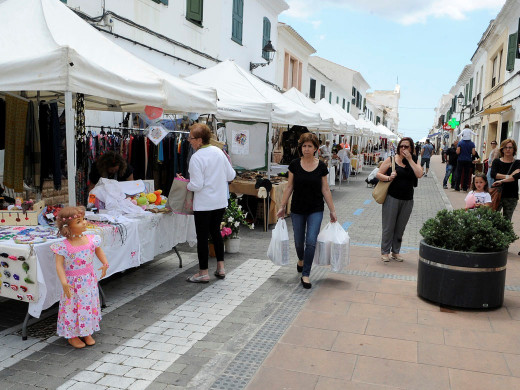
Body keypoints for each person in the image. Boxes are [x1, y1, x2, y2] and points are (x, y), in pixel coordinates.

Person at [276, 133, 337, 289]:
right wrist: (282, 206)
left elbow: (325, 189)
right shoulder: (295, 164)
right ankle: (301, 260)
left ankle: (306, 274)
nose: (307, 149)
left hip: (315, 208)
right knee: (298, 242)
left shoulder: (322, 166)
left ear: (316, 148)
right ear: (300, 148)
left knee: (311, 241)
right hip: (297, 208)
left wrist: (332, 210)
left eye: (310, 146)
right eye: (304, 146)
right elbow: (289, 186)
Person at [183, 124, 236, 283]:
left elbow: (196, 185)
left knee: (202, 237)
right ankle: (220, 267)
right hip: (219, 202)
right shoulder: (219, 152)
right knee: (216, 232)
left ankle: (203, 272)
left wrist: (187, 184)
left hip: (204, 204)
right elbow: (231, 175)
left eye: (191, 138)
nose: (189, 140)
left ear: (199, 140)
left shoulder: (197, 157)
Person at [50, 206, 109, 349]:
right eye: (78, 221)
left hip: (88, 281)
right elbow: (59, 265)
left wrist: (105, 263)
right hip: (72, 283)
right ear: (67, 227)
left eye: (83, 219)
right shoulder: (63, 246)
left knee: (87, 305)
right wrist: (64, 282)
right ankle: (73, 335)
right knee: (73, 307)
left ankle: (86, 331)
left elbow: (98, 251)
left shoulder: (91, 239)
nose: (83, 223)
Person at [376, 137, 423, 262]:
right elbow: (378, 174)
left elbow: (419, 174)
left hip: (408, 199)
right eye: (401, 146)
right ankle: (385, 252)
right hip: (392, 197)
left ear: (411, 148)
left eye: (406, 146)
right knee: (388, 226)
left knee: (400, 228)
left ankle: (395, 252)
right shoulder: (391, 159)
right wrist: (388, 178)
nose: (403, 148)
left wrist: (409, 159)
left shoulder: (413, 160)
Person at [491, 138, 520, 221]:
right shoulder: (496, 161)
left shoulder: (518, 163)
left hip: (511, 196)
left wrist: (501, 179)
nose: (508, 149)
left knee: (507, 220)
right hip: (497, 194)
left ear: (514, 149)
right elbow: (493, 175)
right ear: (502, 149)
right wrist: (509, 176)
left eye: (510, 147)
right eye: (505, 147)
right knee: (493, 219)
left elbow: (516, 177)